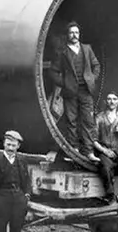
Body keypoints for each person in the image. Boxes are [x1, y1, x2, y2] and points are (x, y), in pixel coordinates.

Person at [48, 21, 102, 163]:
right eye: (71, 33)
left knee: (88, 121)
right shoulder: (63, 53)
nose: (74, 35)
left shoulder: (87, 49)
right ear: (67, 35)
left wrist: (92, 78)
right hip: (70, 92)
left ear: (79, 34)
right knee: (71, 121)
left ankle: (89, 151)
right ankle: (75, 150)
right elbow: (53, 72)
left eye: (76, 32)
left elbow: (96, 65)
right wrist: (64, 83)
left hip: (86, 91)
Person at [0, 130, 32, 232]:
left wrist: (26, 196)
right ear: (4, 144)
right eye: (8, 144)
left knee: (16, 228)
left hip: (18, 200)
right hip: (1, 198)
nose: (10, 148)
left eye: (13, 145)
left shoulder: (22, 160)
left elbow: (27, 180)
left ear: (18, 146)